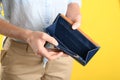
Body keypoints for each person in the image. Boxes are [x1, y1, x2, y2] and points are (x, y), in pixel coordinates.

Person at [0, 0, 82, 80]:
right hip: (20, 56)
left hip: (61, 54)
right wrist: (28, 36)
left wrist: (74, 16)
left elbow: (72, 2)